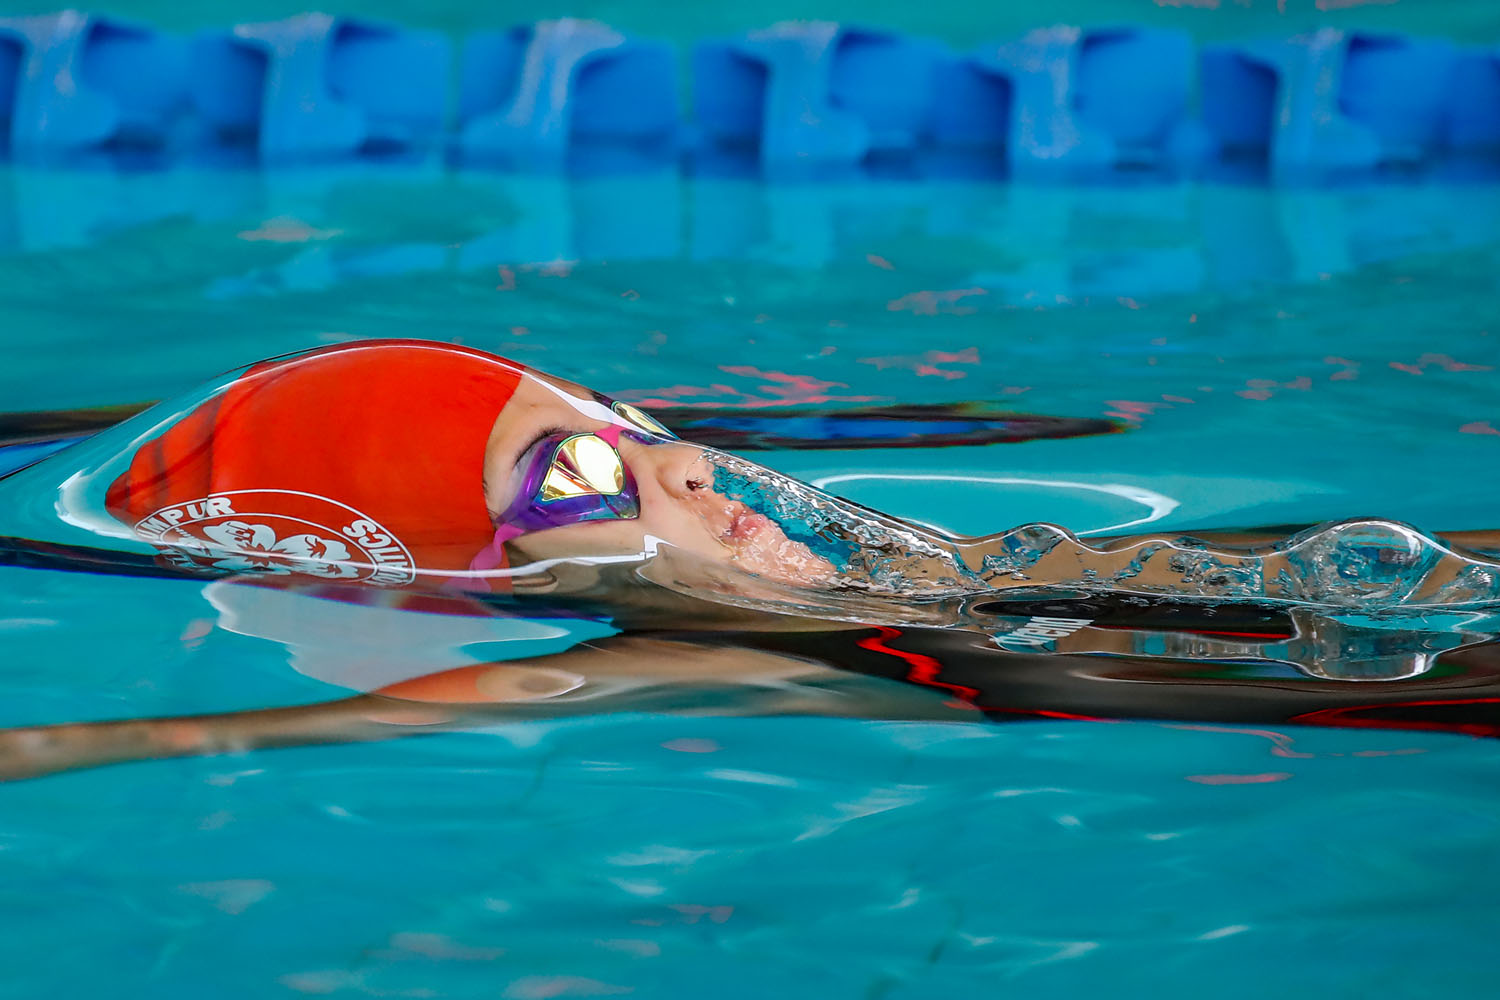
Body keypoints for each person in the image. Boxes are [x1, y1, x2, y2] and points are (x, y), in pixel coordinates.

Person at [2, 339, 1500, 781]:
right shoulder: (668, 658)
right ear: (461, 576)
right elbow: (272, 732)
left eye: (632, 424)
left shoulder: (944, 569)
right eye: (577, 472)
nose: (691, 463)